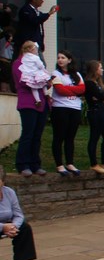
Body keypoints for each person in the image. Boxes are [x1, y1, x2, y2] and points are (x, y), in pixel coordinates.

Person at [12, 41, 51, 177]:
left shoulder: (38, 64)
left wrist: (47, 80)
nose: (37, 52)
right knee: (28, 134)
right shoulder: (19, 64)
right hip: (28, 103)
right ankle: (23, 164)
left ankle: (35, 164)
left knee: (37, 135)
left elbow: (45, 81)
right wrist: (41, 80)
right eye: (35, 49)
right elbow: (24, 81)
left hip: (42, 103)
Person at [49, 50, 85, 175]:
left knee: (70, 137)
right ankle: (59, 164)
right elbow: (60, 90)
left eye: (63, 57)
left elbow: (82, 89)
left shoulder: (77, 75)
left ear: (69, 60)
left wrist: (68, 89)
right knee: (59, 137)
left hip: (75, 108)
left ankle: (70, 163)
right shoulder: (55, 74)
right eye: (58, 57)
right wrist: (74, 90)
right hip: (60, 108)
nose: (60, 60)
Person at [0, 167, 38, 260]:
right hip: (2, 226)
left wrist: (13, 227)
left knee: (25, 228)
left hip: (8, 225)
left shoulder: (9, 192)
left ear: (3, 181)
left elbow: (18, 214)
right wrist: (3, 227)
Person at [83, 60, 104, 174]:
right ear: (95, 70)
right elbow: (100, 96)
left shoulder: (98, 83)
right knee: (94, 137)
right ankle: (93, 163)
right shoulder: (89, 83)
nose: (102, 70)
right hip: (95, 112)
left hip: (103, 112)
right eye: (100, 68)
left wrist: (103, 97)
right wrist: (102, 97)